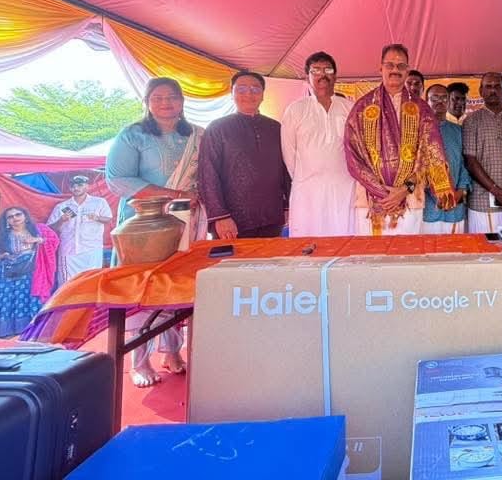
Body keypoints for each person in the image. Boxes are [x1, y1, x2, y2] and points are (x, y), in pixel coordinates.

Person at [106, 77, 203, 387]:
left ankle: (173, 351)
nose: (165, 103)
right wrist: (172, 194)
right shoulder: (133, 135)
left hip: (185, 220)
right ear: (147, 102)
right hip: (143, 225)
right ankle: (140, 360)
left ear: (182, 101)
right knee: (144, 288)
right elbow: (118, 180)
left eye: (172, 97)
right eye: (158, 97)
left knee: (177, 285)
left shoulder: (197, 136)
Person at [344, 44, 456, 235]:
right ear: (380, 68)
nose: (395, 70)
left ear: (407, 70)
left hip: (410, 200)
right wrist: (382, 192)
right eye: (390, 65)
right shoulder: (362, 108)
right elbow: (353, 156)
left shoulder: (421, 109)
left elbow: (431, 155)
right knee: (372, 253)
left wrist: (404, 189)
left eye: (401, 66)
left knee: (407, 252)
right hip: (371, 202)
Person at [198, 71, 290, 239]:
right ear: (231, 93)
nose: (248, 94)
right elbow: (207, 174)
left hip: (272, 217)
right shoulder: (217, 128)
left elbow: (286, 169)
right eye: (241, 89)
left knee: (272, 256)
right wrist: (220, 216)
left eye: (255, 89)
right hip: (232, 222)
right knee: (233, 257)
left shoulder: (276, 128)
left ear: (263, 95)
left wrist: (287, 207)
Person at [281, 51, 357, 236]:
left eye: (328, 70)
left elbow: (357, 150)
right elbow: (288, 153)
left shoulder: (349, 107)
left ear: (335, 76)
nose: (322, 74)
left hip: (345, 189)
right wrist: (308, 176)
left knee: (345, 238)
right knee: (309, 242)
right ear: (307, 77)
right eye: (316, 70)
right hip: (308, 192)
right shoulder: (295, 109)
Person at [0, 207, 60, 338]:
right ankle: (7, 333)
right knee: (8, 300)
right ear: (6, 221)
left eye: (18, 214)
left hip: (31, 273)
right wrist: (3, 255)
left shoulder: (39, 230)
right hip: (7, 274)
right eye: (10, 217)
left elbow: (54, 241)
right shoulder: (1, 235)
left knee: (29, 299)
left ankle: (32, 331)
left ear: (25, 216)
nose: (15, 218)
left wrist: (38, 240)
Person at [463, 72, 502, 233]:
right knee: (483, 246)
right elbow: (470, 161)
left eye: (497, 87)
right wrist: (497, 192)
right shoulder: (471, 120)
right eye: (488, 86)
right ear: (481, 91)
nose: (493, 90)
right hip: (481, 202)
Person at [422, 84, 471, 233]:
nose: (440, 101)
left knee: (455, 247)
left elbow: (465, 165)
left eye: (444, 98)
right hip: (428, 209)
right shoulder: (419, 131)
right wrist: (437, 194)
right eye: (434, 98)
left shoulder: (458, 131)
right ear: (426, 101)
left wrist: (459, 193)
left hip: (455, 208)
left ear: (449, 101)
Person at [48, 175, 113, 283]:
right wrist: (61, 220)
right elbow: (49, 229)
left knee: (91, 281)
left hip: (91, 249)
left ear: (87, 186)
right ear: (70, 188)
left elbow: (108, 219)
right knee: (67, 283)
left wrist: (97, 218)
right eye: (73, 186)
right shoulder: (62, 206)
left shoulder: (99, 202)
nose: (76, 188)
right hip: (69, 250)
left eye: (80, 185)